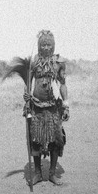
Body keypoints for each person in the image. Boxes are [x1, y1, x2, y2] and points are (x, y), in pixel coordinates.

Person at [23, 30, 69, 186]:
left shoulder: (59, 62)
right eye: (43, 44)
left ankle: (51, 174)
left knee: (56, 140)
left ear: (54, 45)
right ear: (39, 45)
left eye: (49, 44)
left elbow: (62, 84)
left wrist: (66, 104)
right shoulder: (34, 61)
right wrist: (26, 99)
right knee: (35, 139)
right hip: (35, 107)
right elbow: (28, 82)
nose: (46, 47)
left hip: (53, 107)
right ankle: (37, 173)